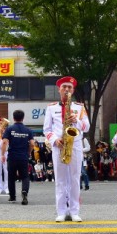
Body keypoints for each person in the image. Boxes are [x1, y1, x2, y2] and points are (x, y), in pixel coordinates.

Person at [43, 76, 90, 222]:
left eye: (70, 87)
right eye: (64, 87)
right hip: (59, 145)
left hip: (75, 144)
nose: (67, 89)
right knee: (61, 180)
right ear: (59, 90)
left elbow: (86, 127)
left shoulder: (80, 107)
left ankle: (74, 211)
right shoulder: (51, 108)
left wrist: (77, 120)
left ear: (73, 90)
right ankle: (61, 211)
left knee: (75, 179)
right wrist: (54, 140)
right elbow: (46, 129)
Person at [1, 109, 35, 204]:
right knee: (25, 176)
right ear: (23, 118)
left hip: (12, 156)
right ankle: (24, 192)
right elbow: (32, 144)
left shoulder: (9, 129)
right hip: (23, 156)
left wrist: (2, 154)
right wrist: (28, 152)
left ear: (13, 118)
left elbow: (4, 142)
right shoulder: (28, 130)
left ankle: (12, 196)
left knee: (11, 177)